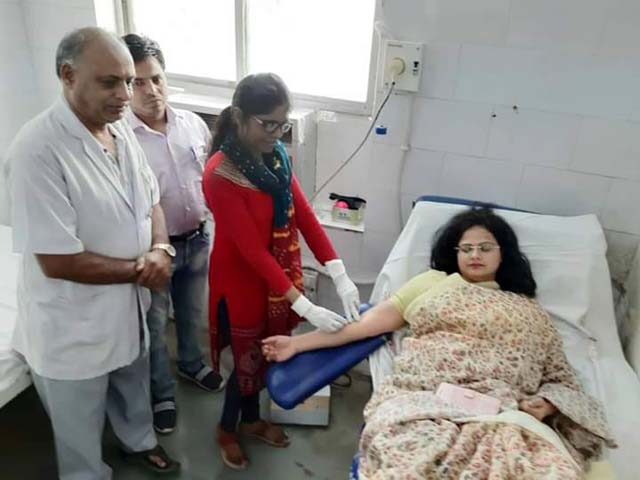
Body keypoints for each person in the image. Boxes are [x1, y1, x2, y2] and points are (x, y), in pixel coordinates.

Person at [263, 207, 616, 479]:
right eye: (466, 248)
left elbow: (560, 377)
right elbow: (364, 326)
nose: (475, 255)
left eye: (485, 248)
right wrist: (299, 344)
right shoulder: (431, 283)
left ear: (503, 253)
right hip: (427, 403)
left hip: (506, 415)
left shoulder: (530, 311)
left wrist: (548, 405)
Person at [3, 27, 180, 478]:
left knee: (132, 386)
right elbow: (57, 260)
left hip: (128, 304)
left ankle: (138, 443)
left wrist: (161, 247)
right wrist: (142, 269)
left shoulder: (118, 128)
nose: (125, 95)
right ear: (68, 76)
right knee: (78, 430)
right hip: (72, 325)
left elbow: (151, 200)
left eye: (128, 81)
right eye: (110, 82)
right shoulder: (36, 150)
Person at [202, 72, 361, 469]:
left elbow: (304, 217)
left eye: (282, 124)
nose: (276, 133)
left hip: (276, 281)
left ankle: (252, 420)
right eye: (267, 124)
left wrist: (339, 273)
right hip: (241, 282)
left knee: (271, 352)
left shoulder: (276, 159)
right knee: (247, 361)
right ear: (240, 116)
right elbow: (252, 253)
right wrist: (304, 306)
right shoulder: (219, 174)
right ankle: (226, 428)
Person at [123, 33, 224, 435]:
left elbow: (208, 178)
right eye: (138, 83)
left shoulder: (192, 125)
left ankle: (192, 364)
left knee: (192, 312)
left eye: (157, 78)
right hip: (153, 250)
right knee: (153, 323)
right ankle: (161, 392)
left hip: (197, 238)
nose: (151, 90)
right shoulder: (122, 138)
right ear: (125, 86)